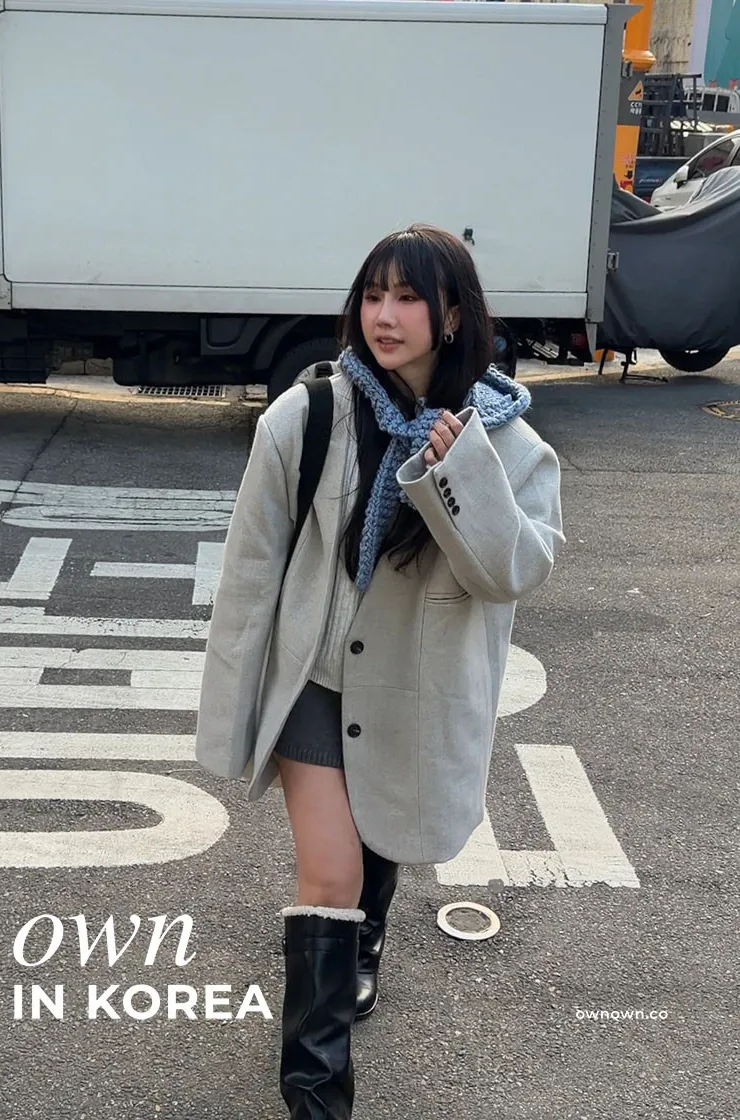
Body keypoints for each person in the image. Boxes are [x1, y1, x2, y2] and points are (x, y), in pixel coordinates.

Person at [195, 224, 565, 1118]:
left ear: (453, 315)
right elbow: (250, 572)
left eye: (407, 298)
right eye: (372, 296)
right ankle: (317, 1095)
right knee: (329, 877)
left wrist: (460, 470)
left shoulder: (511, 447)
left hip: (414, 694)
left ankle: (364, 937)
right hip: (315, 681)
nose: (385, 316)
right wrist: (232, 709)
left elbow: (511, 572)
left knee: (376, 841)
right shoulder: (307, 416)